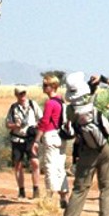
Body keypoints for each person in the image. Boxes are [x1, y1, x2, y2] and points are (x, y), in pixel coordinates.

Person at [57, 72, 109, 216]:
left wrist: (90, 87)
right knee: (108, 188)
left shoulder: (70, 109)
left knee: (80, 190)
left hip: (87, 150)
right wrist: (103, 80)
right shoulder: (99, 101)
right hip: (108, 146)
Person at [33, 75, 68, 207]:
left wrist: (36, 140)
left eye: (45, 85)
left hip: (51, 135)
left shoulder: (50, 103)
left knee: (49, 167)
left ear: (53, 86)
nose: (43, 87)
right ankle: (64, 196)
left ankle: (49, 198)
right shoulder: (61, 101)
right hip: (61, 137)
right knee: (60, 167)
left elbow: (45, 122)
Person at [6, 86, 41, 199]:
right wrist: (15, 125)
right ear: (16, 95)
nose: (23, 95)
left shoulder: (33, 105)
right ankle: (21, 191)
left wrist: (36, 128)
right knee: (18, 165)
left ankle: (36, 190)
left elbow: (41, 119)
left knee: (35, 162)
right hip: (17, 139)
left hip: (30, 139)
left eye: (24, 93)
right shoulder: (13, 108)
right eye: (20, 94)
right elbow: (7, 124)